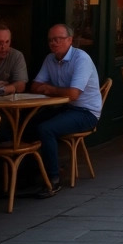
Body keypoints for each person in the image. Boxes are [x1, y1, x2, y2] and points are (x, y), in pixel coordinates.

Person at [29, 24, 102, 198]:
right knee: (29, 124)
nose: (54, 43)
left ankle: (53, 179)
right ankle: (32, 171)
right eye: (50, 40)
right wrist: (52, 89)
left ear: (69, 40)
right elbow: (35, 86)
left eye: (58, 39)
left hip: (86, 113)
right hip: (66, 108)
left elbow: (74, 94)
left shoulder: (81, 59)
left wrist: (51, 89)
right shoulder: (50, 59)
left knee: (46, 129)